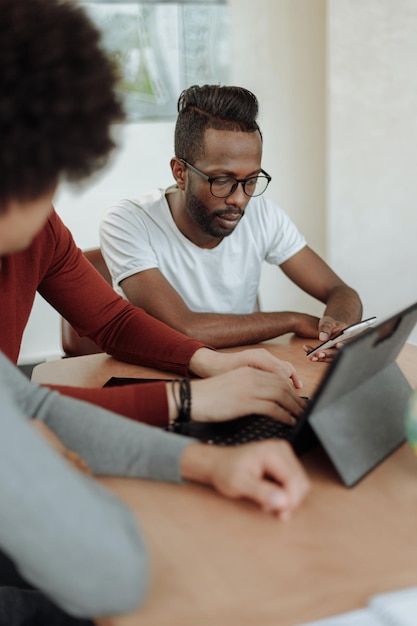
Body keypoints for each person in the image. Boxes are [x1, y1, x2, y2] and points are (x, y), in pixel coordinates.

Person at [0, 0, 310, 623]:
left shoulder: (40, 233)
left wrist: (205, 390)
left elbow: (57, 373)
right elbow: (111, 576)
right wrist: (188, 405)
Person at [100, 84, 363, 361]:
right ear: (180, 173)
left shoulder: (263, 214)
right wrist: (292, 320)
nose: (239, 199)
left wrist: (338, 328)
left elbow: (342, 292)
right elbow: (183, 327)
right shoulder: (128, 221)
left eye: (251, 181)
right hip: (161, 378)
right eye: (222, 181)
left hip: (244, 373)